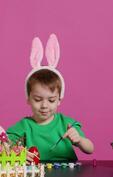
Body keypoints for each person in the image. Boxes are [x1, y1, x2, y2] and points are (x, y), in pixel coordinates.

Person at [6, 34, 94, 164]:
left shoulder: (66, 124)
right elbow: (3, 146)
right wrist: (18, 153)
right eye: (37, 99)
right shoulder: (24, 126)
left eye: (51, 100)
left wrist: (79, 140)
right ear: (28, 99)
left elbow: (90, 149)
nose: (44, 106)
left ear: (59, 100)